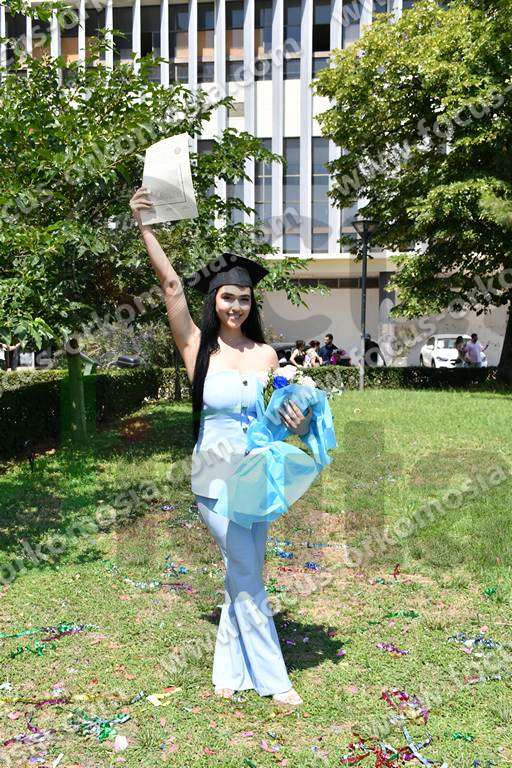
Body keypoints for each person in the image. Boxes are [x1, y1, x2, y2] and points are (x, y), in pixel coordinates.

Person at [130, 187, 312, 707]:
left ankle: (228, 671)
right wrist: (146, 227)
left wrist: (297, 418)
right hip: (214, 475)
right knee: (248, 571)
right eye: (227, 297)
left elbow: (276, 421)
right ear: (214, 300)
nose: (236, 305)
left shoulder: (267, 355)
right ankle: (275, 680)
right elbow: (170, 286)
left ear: (253, 304)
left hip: (257, 475)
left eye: (244, 298)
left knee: (244, 571)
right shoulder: (197, 347)